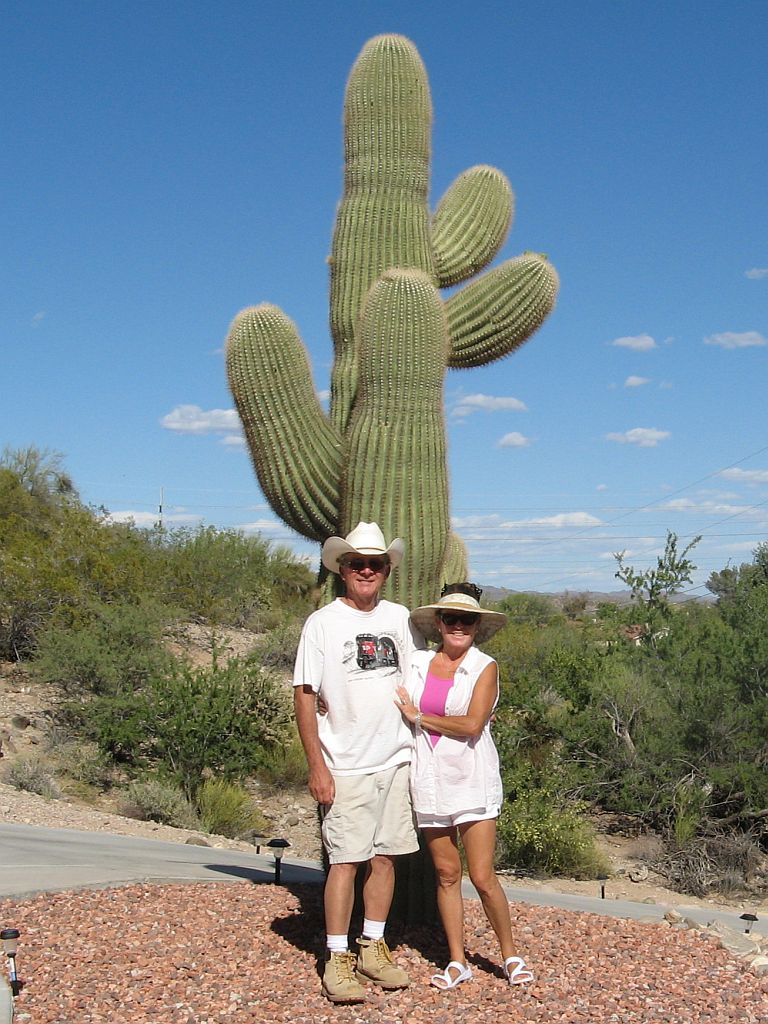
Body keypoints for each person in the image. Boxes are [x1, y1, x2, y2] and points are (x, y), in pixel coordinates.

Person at [293, 522, 424, 1003]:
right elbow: (305, 695)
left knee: (385, 857)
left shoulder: (401, 618)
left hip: (396, 757)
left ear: (387, 571)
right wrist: (316, 765)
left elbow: (418, 675)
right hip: (344, 761)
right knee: (345, 861)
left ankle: (373, 944)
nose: (366, 570)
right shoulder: (323, 623)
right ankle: (337, 955)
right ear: (342, 569)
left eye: (375, 564)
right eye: (357, 563)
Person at [395, 583, 534, 990]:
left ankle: (509, 954)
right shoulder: (417, 663)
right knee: (445, 872)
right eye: (450, 619)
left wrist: (419, 717)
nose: (458, 626)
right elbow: (385, 694)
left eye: (466, 620)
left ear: (477, 627)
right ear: (438, 623)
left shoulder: (484, 667)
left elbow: (472, 724)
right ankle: (457, 959)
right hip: (429, 776)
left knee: (483, 875)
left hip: (471, 778)